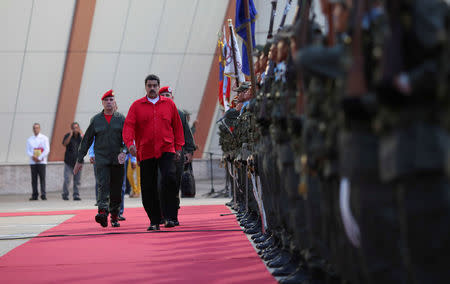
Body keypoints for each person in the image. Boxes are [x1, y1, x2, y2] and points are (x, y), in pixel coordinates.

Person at [123, 74, 184, 231]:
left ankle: (170, 217)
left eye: (154, 85)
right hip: (146, 151)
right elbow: (128, 127)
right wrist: (130, 144)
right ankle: (154, 220)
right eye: (149, 85)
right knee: (148, 186)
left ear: (158, 86)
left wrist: (178, 147)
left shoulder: (169, 104)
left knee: (169, 180)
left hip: (166, 149)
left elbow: (177, 126)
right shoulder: (137, 106)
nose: (152, 88)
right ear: (145, 87)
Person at [74, 89, 127, 228]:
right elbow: (86, 140)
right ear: (102, 103)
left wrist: (125, 151)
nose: (109, 102)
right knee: (103, 186)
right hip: (101, 159)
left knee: (116, 189)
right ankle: (103, 213)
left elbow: (128, 138)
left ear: (114, 102)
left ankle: (114, 216)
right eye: (106, 100)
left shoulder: (121, 119)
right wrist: (80, 159)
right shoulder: (96, 120)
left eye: (111, 100)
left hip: (118, 160)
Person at [159, 86, 196, 225]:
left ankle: (173, 216)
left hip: (176, 155)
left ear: (172, 97)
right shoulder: (154, 114)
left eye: (168, 95)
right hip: (159, 156)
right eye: (163, 95)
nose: (166, 97)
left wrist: (189, 151)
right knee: (160, 185)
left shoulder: (180, 114)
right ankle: (163, 215)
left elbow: (187, 134)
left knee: (174, 186)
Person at [26, 123, 50, 201]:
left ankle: (43, 194)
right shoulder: (29, 139)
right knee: (34, 179)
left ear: (39, 129)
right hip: (33, 162)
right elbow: (28, 151)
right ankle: (34, 195)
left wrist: (39, 157)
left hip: (42, 162)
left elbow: (47, 149)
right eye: (34, 128)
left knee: (42, 178)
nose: (36, 129)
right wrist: (33, 157)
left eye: (37, 128)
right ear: (33, 129)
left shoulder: (44, 138)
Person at [61, 122, 83, 201]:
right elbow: (64, 143)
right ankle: (65, 194)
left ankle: (76, 195)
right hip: (69, 162)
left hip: (78, 162)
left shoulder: (81, 137)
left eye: (76, 128)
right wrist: (70, 135)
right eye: (73, 128)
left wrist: (81, 134)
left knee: (77, 180)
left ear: (79, 128)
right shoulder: (68, 136)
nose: (75, 129)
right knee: (67, 179)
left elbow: (85, 144)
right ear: (71, 129)